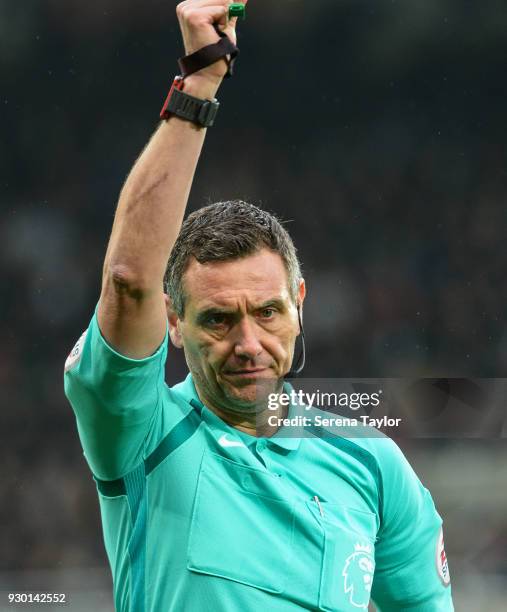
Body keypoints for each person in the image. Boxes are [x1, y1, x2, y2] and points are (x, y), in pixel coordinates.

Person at [64, 1, 454, 610]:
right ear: (174, 321)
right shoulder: (140, 434)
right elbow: (128, 280)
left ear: (299, 304)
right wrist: (199, 83)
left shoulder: (372, 465)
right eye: (217, 320)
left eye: (267, 312)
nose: (248, 344)